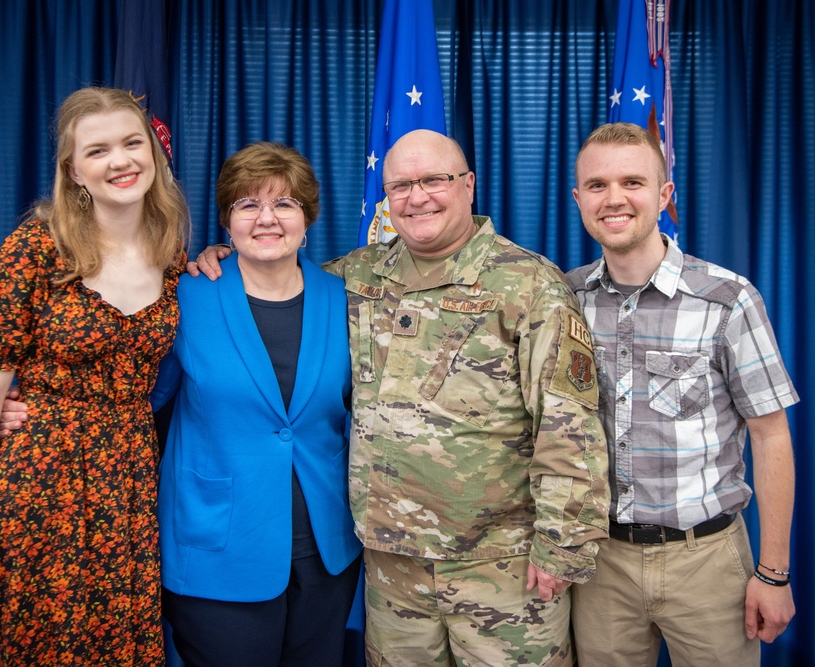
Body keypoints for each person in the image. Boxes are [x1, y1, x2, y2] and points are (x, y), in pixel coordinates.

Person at [194, 129, 610, 666]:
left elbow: (568, 424)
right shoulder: (358, 275)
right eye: (400, 186)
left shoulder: (529, 286)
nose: (418, 197)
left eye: (434, 180)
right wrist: (222, 258)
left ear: (469, 185)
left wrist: (563, 546)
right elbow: (273, 277)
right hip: (392, 567)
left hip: (499, 564)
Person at [0, 141, 362, 666]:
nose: (267, 219)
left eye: (284, 204)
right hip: (216, 551)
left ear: (308, 217)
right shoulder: (184, 296)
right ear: (227, 221)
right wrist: (36, 408)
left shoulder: (346, 297)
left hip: (326, 554)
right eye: (248, 205)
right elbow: (127, 395)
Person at [0, 86, 190, 665]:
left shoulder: (172, 252)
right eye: (98, 151)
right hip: (37, 479)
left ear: (154, 153)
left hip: (127, 481)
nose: (120, 161)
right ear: (74, 170)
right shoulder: (34, 249)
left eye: (132, 143)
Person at [566, 122, 797, 666]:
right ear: (578, 199)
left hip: (708, 562)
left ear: (665, 195)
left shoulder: (727, 299)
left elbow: (770, 436)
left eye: (633, 182)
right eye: (597, 186)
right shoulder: (564, 298)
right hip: (600, 565)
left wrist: (774, 572)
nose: (614, 198)